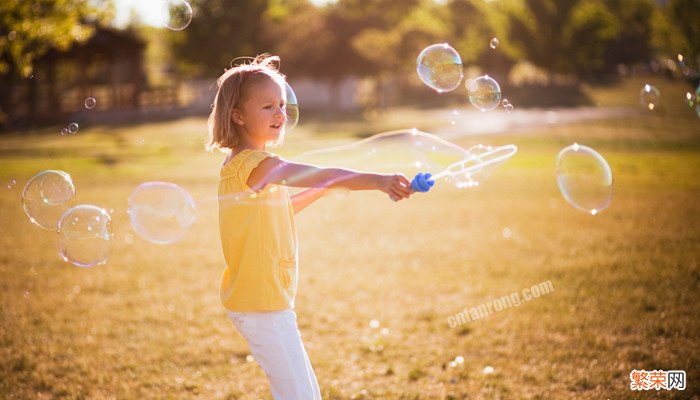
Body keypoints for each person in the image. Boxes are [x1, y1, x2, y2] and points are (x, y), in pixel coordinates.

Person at [206, 54, 414, 399]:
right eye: (267, 106)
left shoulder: (245, 167)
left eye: (281, 104)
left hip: (262, 299)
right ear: (238, 116)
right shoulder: (255, 164)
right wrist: (378, 180)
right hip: (262, 304)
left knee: (302, 392)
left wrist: (323, 189)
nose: (279, 113)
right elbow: (317, 172)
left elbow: (280, 208)